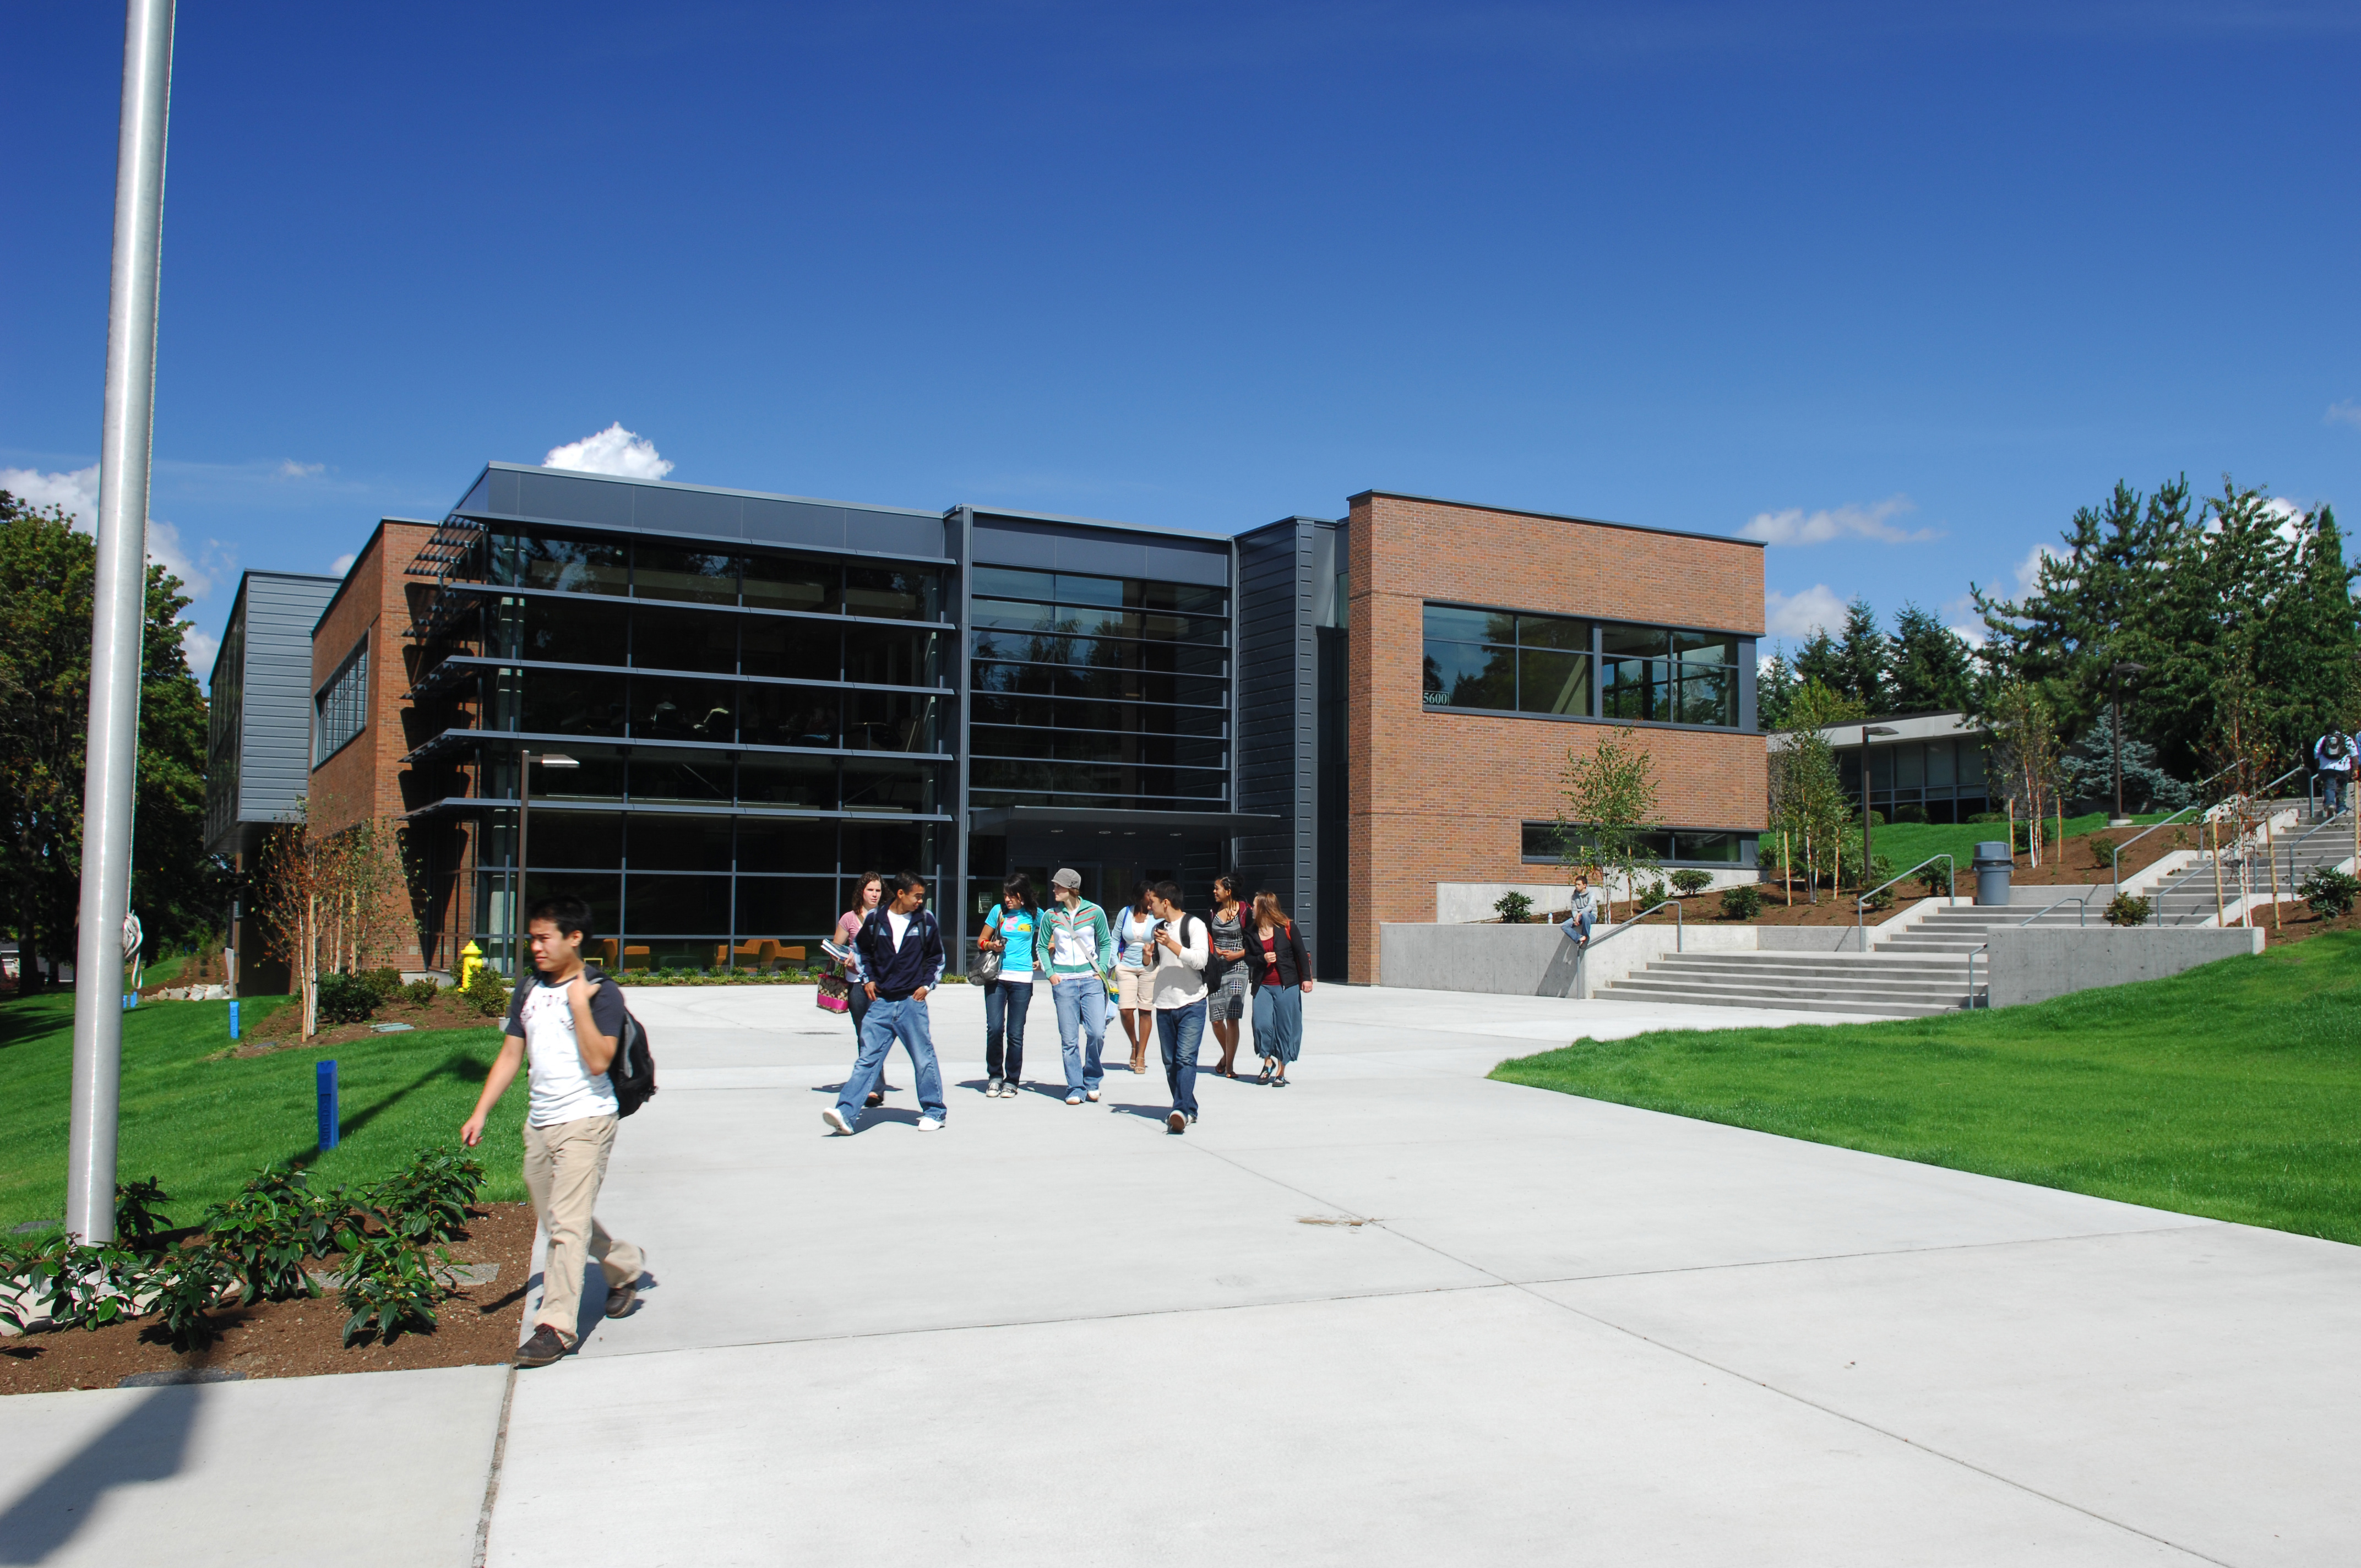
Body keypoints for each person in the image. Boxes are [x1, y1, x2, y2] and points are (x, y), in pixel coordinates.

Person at [459, 894, 646, 1370]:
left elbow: (600, 1060)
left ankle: (556, 1327)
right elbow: (509, 1056)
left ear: (574, 938)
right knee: (561, 1219)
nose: (536, 947)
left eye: (544, 939)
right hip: (539, 1123)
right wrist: (481, 1112)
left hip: (587, 1120)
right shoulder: (528, 989)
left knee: (565, 1224)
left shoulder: (602, 993)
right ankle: (623, 1264)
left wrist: (578, 1004)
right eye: (532, 938)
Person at [824, 873, 947, 1135]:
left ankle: (935, 1112)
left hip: (911, 1003)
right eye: (917, 895)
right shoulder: (876, 920)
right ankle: (845, 1113)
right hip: (880, 1002)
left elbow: (937, 957)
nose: (920, 901)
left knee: (923, 1058)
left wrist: (927, 986)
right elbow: (861, 951)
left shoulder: (925, 920)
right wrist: (867, 979)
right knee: (867, 1059)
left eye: (922, 896)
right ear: (901, 894)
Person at [823, 873, 898, 1108]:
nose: (875, 895)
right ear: (861, 893)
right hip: (857, 983)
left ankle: (874, 1084)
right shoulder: (850, 919)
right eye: (870, 890)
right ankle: (874, 1087)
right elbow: (836, 949)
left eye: (878, 891)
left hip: (883, 984)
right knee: (864, 1035)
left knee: (882, 1034)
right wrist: (845, 957)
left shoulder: (889, 917)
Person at [1045, 868, 1115, 1104]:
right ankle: (1076, 1087)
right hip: (1063, 983)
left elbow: (1106, 943)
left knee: (1096, 1032)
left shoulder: (1095, 912)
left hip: (1091, 980)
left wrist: (1101, 970)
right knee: (1069, 1040)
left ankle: (1092, 1080)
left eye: (1058, 886)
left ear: (1072, 888)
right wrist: (1051, 974)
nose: (1054, 890)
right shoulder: (1051, 916)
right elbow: (1042, 946)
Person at [1144, 881, 1210, 1133]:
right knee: (1170, 1062)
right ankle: (1187, 1108)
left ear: (1166, 902)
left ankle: (1180, 1110)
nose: (1149, 906)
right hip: (1164, 1003)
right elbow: (1154, 967)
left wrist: (1171, 944)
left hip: (1192, 1001)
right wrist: (1148, 957)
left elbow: (1200, 960)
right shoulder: (1157, 929)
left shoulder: (1194, 925)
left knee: (1185, 1058)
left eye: (1152, 901)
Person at [979, 873, 1046, 1097]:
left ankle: (1012, 1080)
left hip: (1022, 980)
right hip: (997, 978)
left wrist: (1043, 957)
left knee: (1015, 1034)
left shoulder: (1035, 914)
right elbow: (981, 940)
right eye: (1005, 894)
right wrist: (992, 945)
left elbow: (1051, 935)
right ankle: (995, 1076)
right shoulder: (998, 912)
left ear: (1023, 895)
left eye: (1012, 895)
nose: (1007, 899)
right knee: (995, 1028)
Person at [1245, 891, 1313, 1087]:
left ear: (1265, 908)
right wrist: (1261, 959)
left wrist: (1307, 979)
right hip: (1263, 986)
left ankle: (1281, 1070)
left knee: (1286, 1028)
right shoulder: (1251, 931)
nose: (1252, 908)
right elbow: (1248, 957)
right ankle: (1268, 1062)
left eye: (1255, 905)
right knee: (1261, 1024)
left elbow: (1301, 953)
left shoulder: (1287, 927)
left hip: (1287, 985)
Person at [1205, 875, 1249, 1077]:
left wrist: (1237, 954)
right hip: (1217, 970)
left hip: (1238, 968)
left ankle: (1229, 1066)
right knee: (1216, 1020)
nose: (1214, 892)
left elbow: (1255, 944)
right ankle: (1227, 1055)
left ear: (1228, 891)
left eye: (1217, 888)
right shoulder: (1213, 911)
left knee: (1232, 1017)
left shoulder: (1246, 912)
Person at [1113, 884, 1157, 1074]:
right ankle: (1134, 1044)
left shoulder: (1157, 916)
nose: (1152, 900)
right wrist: (1115, 963)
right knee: (1125, 1010)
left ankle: (1141, 1055)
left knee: (1145, 1011)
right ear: (1140, 897)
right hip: (1126, 967)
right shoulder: (1125, 913)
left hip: (1149, 968)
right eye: (1149, 896)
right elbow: (1115, 938)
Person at [2316, 729, 2355, 820]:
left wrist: (2319, 769)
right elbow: (2354, 754)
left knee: (2330, 786)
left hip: (2327, 767)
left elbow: (2316, 754)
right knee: (2342, 787)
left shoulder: (2324, 739)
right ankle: (2341, 807)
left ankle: (2330, 804)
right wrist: (2355, 768)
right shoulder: (2346, 738)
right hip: (2344, 767)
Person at [1560, 874, 1599, 950]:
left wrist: (1580, 914)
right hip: (1579, 917)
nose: (1576, 886)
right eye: (1576, 884)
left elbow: (1590, 907)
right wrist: (1576, 918)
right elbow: (1574, 909)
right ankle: (1580, 938)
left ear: (1585, 885)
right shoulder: (1574, 896)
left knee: (1585, 914)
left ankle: (1586, 935)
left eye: (1579, 885)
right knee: (1564, 926)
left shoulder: (1591, 894)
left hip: (1591, 916)